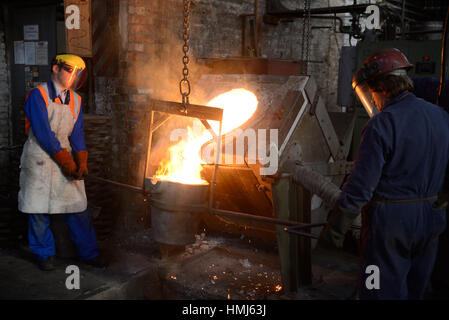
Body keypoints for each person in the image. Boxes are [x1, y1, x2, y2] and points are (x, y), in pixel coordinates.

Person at [318, 48, 449, 299]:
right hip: (432, 219)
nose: (373, 101)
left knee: (375, 287)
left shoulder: (382, 124)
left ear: (380, 87)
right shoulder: (441, 116)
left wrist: (337, 227)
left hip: (390, 225)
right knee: (415, 289)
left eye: (370, 93)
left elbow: (361, 187)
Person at [18, 54, 106, 271]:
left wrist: (81, 160)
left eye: (78, 73)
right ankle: (44, 254)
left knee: (78, 208)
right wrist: (66, 161)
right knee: (38, 210)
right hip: (39, 159)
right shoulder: (37, 95)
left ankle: (89, 253)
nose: (73, 77)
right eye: (70, 71)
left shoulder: (75, 100)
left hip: (63, 157)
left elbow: (77, 134)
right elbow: (43, 134)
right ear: (56, 68)